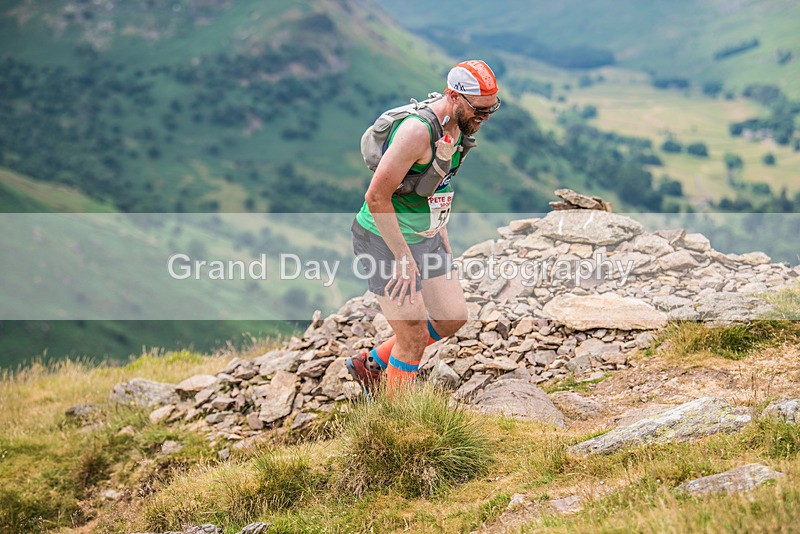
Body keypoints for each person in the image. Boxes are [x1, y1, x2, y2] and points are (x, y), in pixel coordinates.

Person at [346, 60, 501, 395]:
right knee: (413, 335)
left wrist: (439, 228)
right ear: (454, 96)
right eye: (480, 110)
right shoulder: (417, 132)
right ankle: (396, 426)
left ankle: (370, 364)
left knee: (451, 317)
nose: (485, 118)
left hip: (425, 236)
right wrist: (403, 257)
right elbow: (376, 197)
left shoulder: (461, 127)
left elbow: (437, 182)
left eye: (492, 110)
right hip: (384, 239)